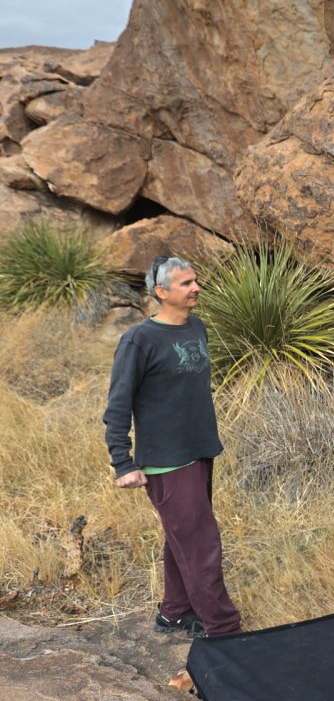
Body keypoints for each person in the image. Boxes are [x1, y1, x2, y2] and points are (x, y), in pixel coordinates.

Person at [102, 255, 241, 639]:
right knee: (201, 544)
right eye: (186, 283)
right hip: (166, 460)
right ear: (161, 292)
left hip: (199, 450)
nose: (196, 288)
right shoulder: (138, 340)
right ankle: (224, 629)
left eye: (195, 280)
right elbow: (118, 405)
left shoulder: (196, 327)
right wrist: (122, 462)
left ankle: (175, 612)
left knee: (184, 537)